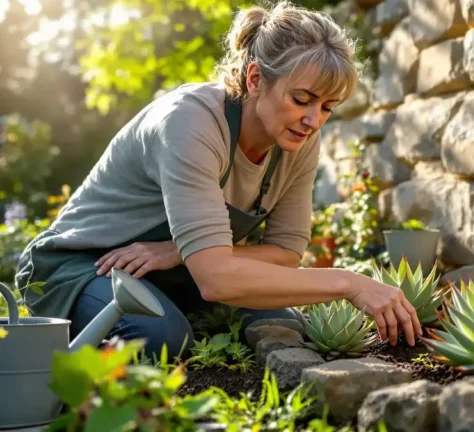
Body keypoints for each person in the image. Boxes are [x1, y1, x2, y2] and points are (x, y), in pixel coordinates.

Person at [14, 0, 422, 358]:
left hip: (171, 271)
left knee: (279, 320)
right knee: (160, 339)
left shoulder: (297, 138)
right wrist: (349, 283)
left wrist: (178, 252)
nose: (314, 120)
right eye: (302, 99)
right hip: (83, 265)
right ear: (256, 79)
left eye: (328, 106)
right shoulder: (190, 123)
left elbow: (284, 254)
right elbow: (216, 279)